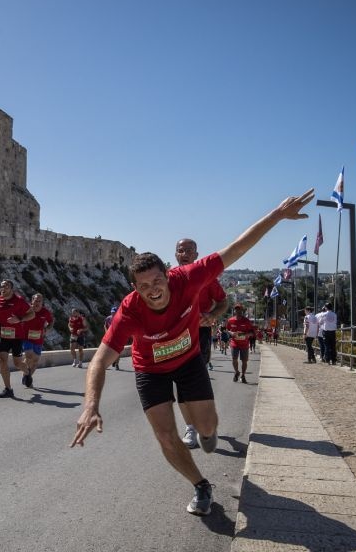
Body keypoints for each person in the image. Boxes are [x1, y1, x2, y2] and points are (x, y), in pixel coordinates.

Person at [71, 189, 314, 516]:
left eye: (157, 281)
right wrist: (91, 405)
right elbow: (99, 360)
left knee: (207, 427)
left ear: (167, 275)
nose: (153, 291)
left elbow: (237, 249)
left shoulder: (188, 278)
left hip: (187, 362)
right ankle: (200, 485)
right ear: (135, 289)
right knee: (165, 436)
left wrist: (278, 214)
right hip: (150, 370)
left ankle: (206, 430)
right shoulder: (129, 311)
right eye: (144, 287)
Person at [174, 238, 229, 449]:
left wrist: (213, 315)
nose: (185, 254)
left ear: (196, 255)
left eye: (189, 250)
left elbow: (223, 302)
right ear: (176, 254)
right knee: (180, 380)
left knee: (196, 378)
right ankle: (191, 427)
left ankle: (205, 422)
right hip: (178, 334)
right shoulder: (168, 278)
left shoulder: (206, 277)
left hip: (200, 332)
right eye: (181, 250)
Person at [0, 279, 33, 398]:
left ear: (11, 289)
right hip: (3, 335)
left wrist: (19, 319)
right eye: (1, 286)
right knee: (2, 359)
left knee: (17, 363)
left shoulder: (19, 300)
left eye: (6, 286)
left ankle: (27, 372)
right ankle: (8, 389)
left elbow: (31, 314)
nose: (3, 289)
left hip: (17, 337)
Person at [20, 293, 53, 388]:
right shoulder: (26, 310)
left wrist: (47, 329)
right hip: (26, 338)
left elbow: (51, 321)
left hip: (38, 340)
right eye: (35, 301)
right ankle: (27, 374)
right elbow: (18, 318)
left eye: (39, 301)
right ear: (32, 301)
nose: (37, 303)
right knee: (29, 356)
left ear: (42, 302)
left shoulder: (45, 312)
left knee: (35, 362)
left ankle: (27, 377)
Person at [226, 305, 255, 383]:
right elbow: (227, 329)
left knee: (244, 361)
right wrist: (231, 333)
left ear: (242, 311)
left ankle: (243, 375)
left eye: (239, 310)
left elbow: (252, 332)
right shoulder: (230, 320)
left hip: (244, 344)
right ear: (234, 311)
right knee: (234, 359)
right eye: (236, 310)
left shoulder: (246, 321)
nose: (238, 311)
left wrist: (246, 335)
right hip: (234, 343)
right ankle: (236, 372)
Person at [104, 305, 121, 370]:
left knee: (117, 351)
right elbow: (105, 325)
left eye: (114, 312)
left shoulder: (120, 318)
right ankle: (112, 361)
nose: (113, 313)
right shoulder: (108, 318)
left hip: (118, 337)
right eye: (112, 312)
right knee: (108, 350)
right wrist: (106, 332)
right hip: (110, 336)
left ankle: (116, 364)